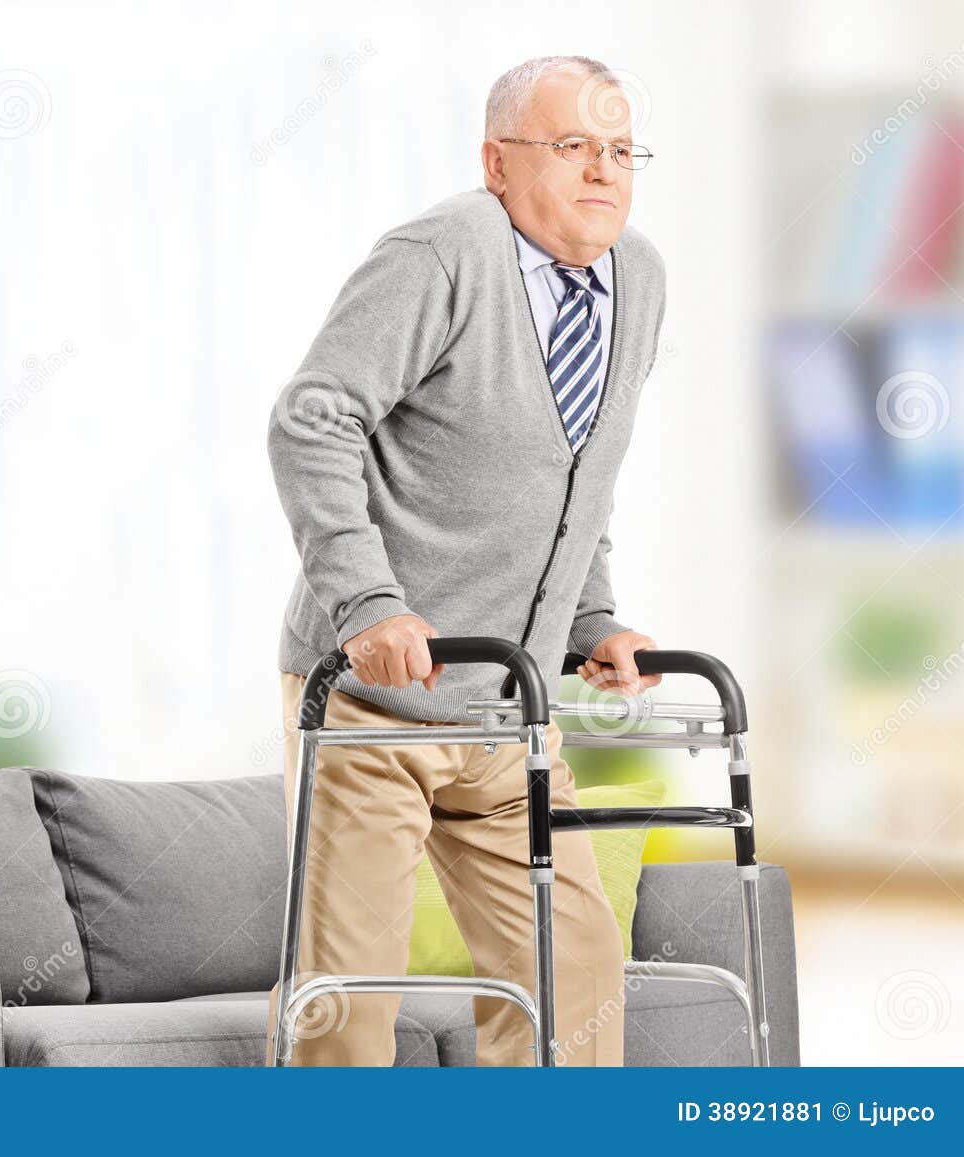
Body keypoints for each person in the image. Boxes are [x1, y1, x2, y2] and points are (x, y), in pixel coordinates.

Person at [264, 54, 667, 1067]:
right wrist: (367, 602)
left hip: (507, 710)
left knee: (573, 970)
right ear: (497, 163)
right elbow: (311, 420)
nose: (602, 171)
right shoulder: (440, 254)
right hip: (372, 705)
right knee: (348, 997)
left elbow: (577, 475)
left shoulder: (639, 278)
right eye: (572, 145)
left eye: (621, 151)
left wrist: (591, 622)